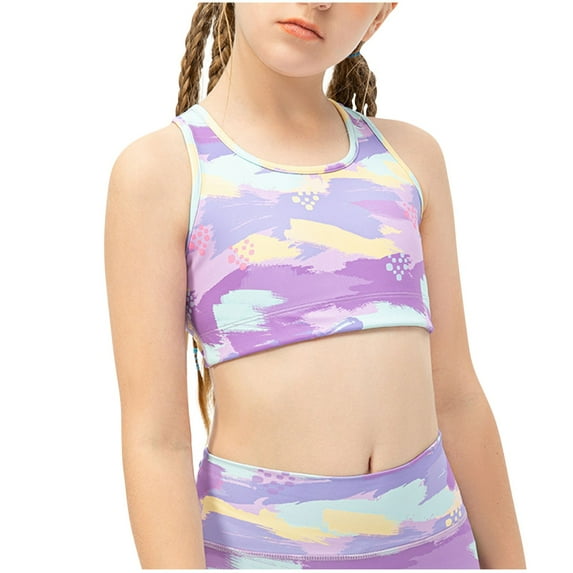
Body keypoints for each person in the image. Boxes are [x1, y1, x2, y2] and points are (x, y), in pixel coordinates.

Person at [104, 2, 526, 569]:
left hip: (439, 546)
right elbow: (157, 439)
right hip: (261, 552)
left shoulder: (409, 160)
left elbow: (457, 395)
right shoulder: (164, 171)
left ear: (380, 15)